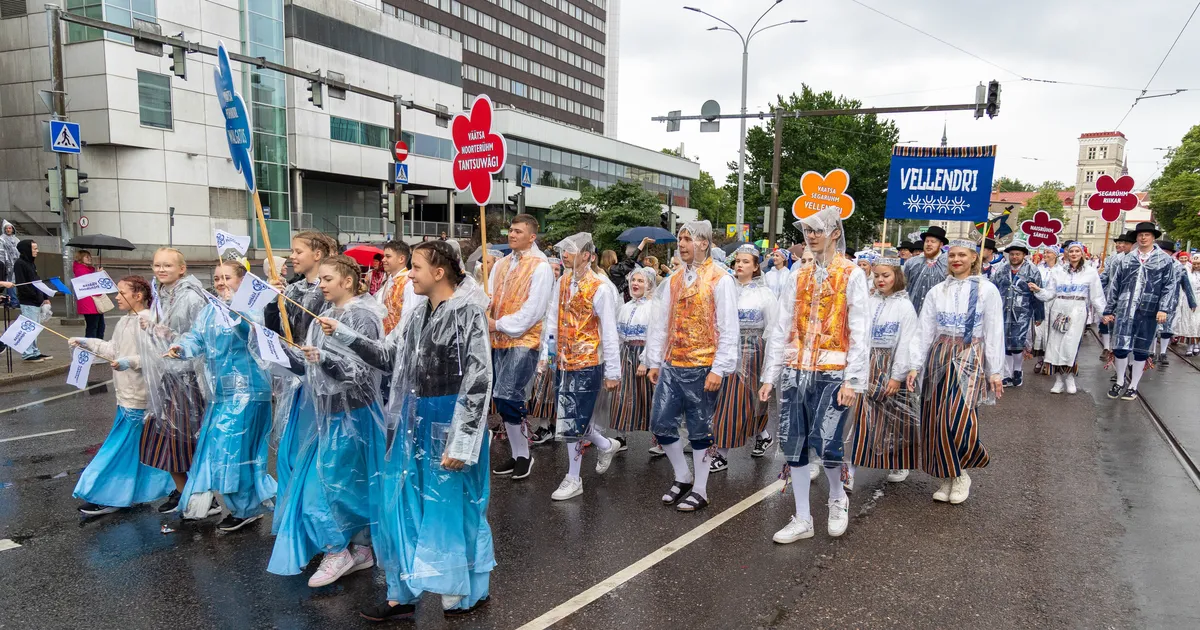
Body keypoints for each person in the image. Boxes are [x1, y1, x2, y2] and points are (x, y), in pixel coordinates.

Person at [337, 241, 494, 620]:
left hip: (451, 421)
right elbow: (388, 356)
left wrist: (462, 442)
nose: (410, 274)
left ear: (439, 272)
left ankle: (464, 588)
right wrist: (344, 335)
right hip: (414, 421)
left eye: (417, 267)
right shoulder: (416, 313)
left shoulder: (468, 313)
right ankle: (402, 593)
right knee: (405, 504)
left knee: (454, 505)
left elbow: (479, 379)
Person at [269, 255, 383, 588]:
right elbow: (311, 366)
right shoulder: (325, 316)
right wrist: (279, 352)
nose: (321, 285)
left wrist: (324, 361)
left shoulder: (363, 318)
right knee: (341, 486)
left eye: (327, 279)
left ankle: (339, 549)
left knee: (328, 487)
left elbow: (362, 372)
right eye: (320, 279)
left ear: (347, 281)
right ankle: (356, 547)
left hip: (355, 415)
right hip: (329, 416)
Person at [759, 207, 868, 543]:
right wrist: (770, 375)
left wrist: (853, 379)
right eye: (808, 230)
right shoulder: (798, 275)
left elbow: (860, 329)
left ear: (835, 233)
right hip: (796, 371)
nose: (812, 235)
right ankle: (803, 517)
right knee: (795, 444)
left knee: (828, 441)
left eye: (819, 230)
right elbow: (781, 327)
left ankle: (837, 497)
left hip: (833, 373)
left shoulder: (851, 274)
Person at [166, 260, 276, 531]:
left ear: (242, 281)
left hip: (250, 392)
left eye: (226, 277)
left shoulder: (253, 307)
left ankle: (247, 507)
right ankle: (245, 506)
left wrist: (234, 312)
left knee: (236, 452)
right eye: (216, 278)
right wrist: (181, 348)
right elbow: (196, 337)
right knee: (222, 450)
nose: (220, 283)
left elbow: (252, 335)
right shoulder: (209, 310)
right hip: (222, 395)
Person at [643, 220, 738, 512]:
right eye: (680, 239)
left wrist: (719, 368)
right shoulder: (673, 280)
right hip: (672, 363)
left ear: (704, 243)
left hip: (703, 365)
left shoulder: (720, 279)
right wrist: (654, 360)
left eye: (688, 239)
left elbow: (728, 326)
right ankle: (683, 476)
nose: (682, 244)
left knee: (700, 429)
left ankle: (701, 489)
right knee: (660, 424)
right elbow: (661, 323)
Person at [70, 276, 175, 516]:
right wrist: (88, 343)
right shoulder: (125, 320)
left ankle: (105, 494)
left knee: (117, 451)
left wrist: (130, 362)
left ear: (138, 296)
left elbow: (157, 357)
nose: (116, 297)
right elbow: (113, 349)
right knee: (137, 451)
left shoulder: (147, 320)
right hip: (126, 396)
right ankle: (155, 490)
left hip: (140, 398)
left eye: (121, 292)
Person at [915, 239, 1005, 504]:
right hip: (940, 354)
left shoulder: (987, 290)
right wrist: (914, 365)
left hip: (970, 354)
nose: (956, 259)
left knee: (960, 417)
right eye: (952, 255)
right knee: (936, 418)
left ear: (974, 258)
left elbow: (994, 331)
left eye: (962, 255)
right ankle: (949, 474)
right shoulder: (937, 291)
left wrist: (995, 371)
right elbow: (924, 330)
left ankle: (962, 472)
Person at [539, 234, 623, 501]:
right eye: (563, 251)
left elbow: (609, 331)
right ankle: (605, 444)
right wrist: (548, 355)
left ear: (586, 255)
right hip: (564, 361)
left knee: (572, 419)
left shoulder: (601, 287)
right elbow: (552, 320)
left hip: (588, 362)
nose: (564, 255)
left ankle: (574, 477)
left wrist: (613, 371)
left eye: (570, 251)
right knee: (570, 416)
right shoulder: (563, 282)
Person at [139, 247, 209, 513]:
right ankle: (184, 491)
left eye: (167, 265)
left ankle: (201, 496)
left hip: (188, 377)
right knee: (164, 437)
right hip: (169, 374)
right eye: (157, 265)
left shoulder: (191, 297)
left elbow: (201, 337)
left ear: (182, 269)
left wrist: (167, 334)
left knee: (185, 440)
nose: (161, 269)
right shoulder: (161, 295)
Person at [488, 214, 554, 480]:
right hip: (498, 339)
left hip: (524, 339)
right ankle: (517, 453)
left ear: (532, 236)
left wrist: (499, 324)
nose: (512, 235)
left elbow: (534, 310)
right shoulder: (501, 264)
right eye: (511, 230)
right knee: (501, 399)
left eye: (518, 231)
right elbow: (490, 297)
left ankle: (524, 454)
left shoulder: (541, 266)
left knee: (510, 397)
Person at [849, 253, 921, 484]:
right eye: (877, 275)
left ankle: (899, 462)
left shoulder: (905, 307)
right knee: (862, 415)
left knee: (895, 416)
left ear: (896, 276)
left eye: (886, 275)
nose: (880, 280)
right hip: (867, 363)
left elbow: (907, 342)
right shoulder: (869, 302)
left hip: (890, 364)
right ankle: (850, 468)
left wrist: (897, 376)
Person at [710, 244, 778, 473]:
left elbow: (772, 330)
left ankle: (721, 453)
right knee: (727, 400)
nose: (740, 265)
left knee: (741, 400)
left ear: (756, 266)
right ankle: (762, 435)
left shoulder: (764, 294)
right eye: (738, 260)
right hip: (726, 348)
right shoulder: (725, 289)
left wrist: (770, 366)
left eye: (746, 261)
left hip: (752, 351)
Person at [1103, 223, 1179, 401]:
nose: (1143, 238)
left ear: (1153, 237)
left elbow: (1169, 286)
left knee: (1141, 349)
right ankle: (1120, 381)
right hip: (1125, 309)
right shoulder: (1127, 259)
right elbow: (1115, 285)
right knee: (1120, 347)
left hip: (1149, 311)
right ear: (1136, 238)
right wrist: (1109, 309)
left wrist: (1163, 308)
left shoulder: (1164, 260)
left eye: (1147, 235)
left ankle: (1133, 385)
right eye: (1140, 235)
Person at [1043, 242, 1106, 394]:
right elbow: (1050, 293)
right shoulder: (1057, 271)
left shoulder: (1090, 272)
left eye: (1077, 251)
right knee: (1055, 345)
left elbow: (1097, 295)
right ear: (1066, 253)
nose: (1074, 254)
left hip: (1077, 309)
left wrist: (1103, 314)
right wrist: (1037, 291)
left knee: (1071, 345)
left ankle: (1070, 377)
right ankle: (1058, 380)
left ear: (1082, 254)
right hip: (1059, 308)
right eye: (1071, 251)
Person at [990, 239, 1053, 387]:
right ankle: (1008, 373)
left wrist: (1039, 315)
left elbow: (1038, 294)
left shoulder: (1032, 270)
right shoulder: (1002, 269)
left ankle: (1017, 370)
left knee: (1017, 342)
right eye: (1012, 254)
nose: (1014, 257)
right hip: (1003, 310)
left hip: (1023, 312)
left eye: (1017, 254)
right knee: (1006, 342)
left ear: (1024, 255)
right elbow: (993, 289)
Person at [610, 266, 657, 448]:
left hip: (644, 354)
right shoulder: (625, 307)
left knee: (649, 396)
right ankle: (621, 436)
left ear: (649, 284)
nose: (635, 284)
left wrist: (645, 361)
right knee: (623, 395)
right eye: (633, 280)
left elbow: (655, 336)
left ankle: (660, 437)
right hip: (626, 354)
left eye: (640, 281)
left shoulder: (653, 308)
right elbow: (618, 336)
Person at [1151, 241, 1197, 366]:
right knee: (1152, 327)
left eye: (1165, 251)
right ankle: (1152, 352)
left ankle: (1163, 353)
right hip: (1153, 301)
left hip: (1171, 302)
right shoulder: (1153, 264)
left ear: (1170, 253)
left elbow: (1186, 285)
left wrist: (1192, 301)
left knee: (1167, 328)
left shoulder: (1178, 267)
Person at [13, 240, 52, 361]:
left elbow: (37, 281)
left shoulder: (31, 263)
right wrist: (35, 296)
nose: (37, 251)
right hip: (28, 301)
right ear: (27, 250)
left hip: (36, 301)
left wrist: (44, 297)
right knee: (29, 328)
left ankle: (34, 351)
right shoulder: (20, 263)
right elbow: (22, 284)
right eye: (34, 249)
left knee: (35, 328)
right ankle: (28, 353)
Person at [1099, 231, 1136, 358]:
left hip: (1130, 298)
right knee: (1106, 321)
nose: (1121, 245)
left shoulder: (1136, 260)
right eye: (1120, 242)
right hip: (1111, 295)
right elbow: (1105, 276)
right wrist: (1098, 289)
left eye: (1125, 243)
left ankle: (1126, 352)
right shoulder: (1113, 259)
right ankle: (1107, 347)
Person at [903, 225, 949, 314]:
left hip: (937, 312)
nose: (929, 244)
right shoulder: (911, 263)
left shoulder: (948, 263)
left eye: (933, 241)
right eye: (927, 241)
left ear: (941, 245)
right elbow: (903, 284)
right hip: (913, 312)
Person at [375, 240, 413, 336]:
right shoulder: (390, 280)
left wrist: (392, 339)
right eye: (384, 256)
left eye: (388, 256)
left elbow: (407, 318)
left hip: (398, 339)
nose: (383, 260)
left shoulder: (409, 282)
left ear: (401, 259)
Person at [73, 249, 106, 340]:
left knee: (100, 326)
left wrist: (97, 274)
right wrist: (98, 275)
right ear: (80, 258)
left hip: (94, 301)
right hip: (89, 302)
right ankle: (91, 345)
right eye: (86, 257)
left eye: (90, 257)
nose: (89, 258)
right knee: (93, 327)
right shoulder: (80, 270)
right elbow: (91, 284)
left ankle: (98, 344)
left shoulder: (88, 270)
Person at [1182, 253, 1200, 356]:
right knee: (1190, 323)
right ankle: (1190, 345)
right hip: (1191, 300)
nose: (1196, 266)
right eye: (1194, 264)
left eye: (1198, 264)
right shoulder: (1188, 273)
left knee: (1198, 323)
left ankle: (1197, 344)